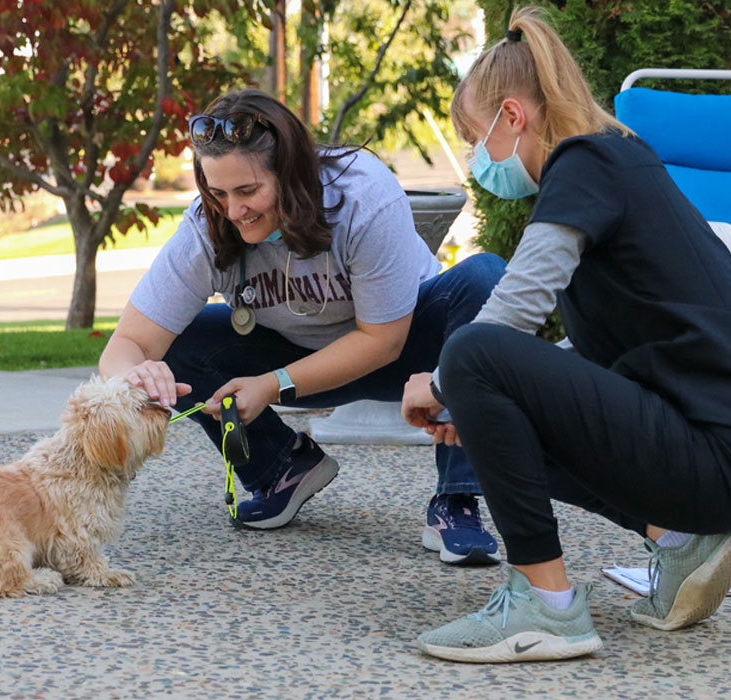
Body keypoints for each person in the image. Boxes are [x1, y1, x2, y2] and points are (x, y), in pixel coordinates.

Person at [400, 8, 731, 662]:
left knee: (470, 348)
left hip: (721, 448)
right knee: (493, 393)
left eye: (475, 138)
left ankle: (545, 608)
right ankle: (682, 544)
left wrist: (444, 380)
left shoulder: (586, 162)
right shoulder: (617, 166)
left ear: (512, 116)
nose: (478, 160)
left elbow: (517, 305)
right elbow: (586, 367)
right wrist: (473, 409)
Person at [98, 88, 507, 565]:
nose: (233, 211)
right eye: (218, 193)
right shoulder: (207, 226)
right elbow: (126, 343)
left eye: (248, 191)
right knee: (177, 344)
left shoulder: (361, 193)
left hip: (410, 355)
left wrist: (272, 385)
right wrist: (136, 375)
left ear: (290, 174)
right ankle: (281, 468)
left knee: (484, 279)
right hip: (295, 359)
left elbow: (383, 341)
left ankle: (456, 501)